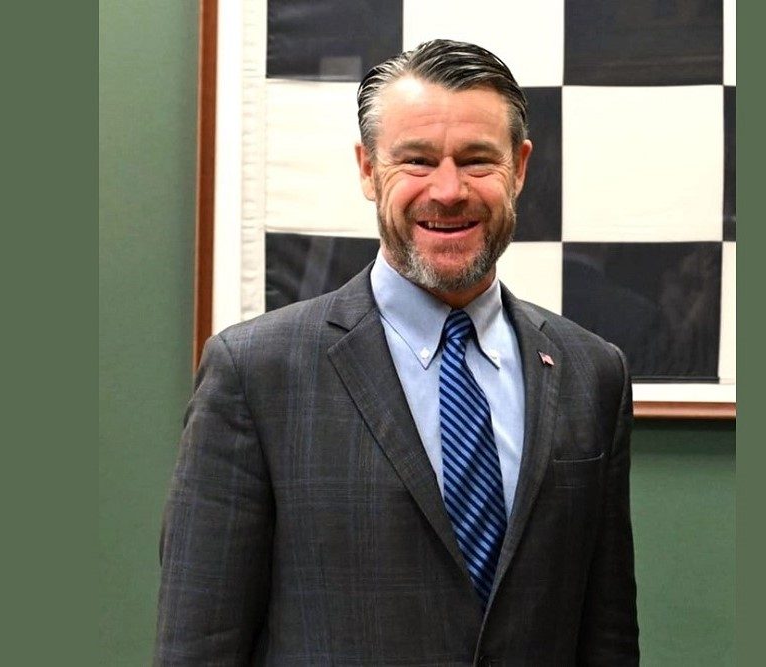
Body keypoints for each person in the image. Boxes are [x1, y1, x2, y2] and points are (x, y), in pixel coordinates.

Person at [155, 39, 639, 665]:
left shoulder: (592, 373)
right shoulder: (255, 373)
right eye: (415, 160)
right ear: (366, 168)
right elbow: (199, 645)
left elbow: (608, 641)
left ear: (518, 168)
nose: (447, 190)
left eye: (476, 160)